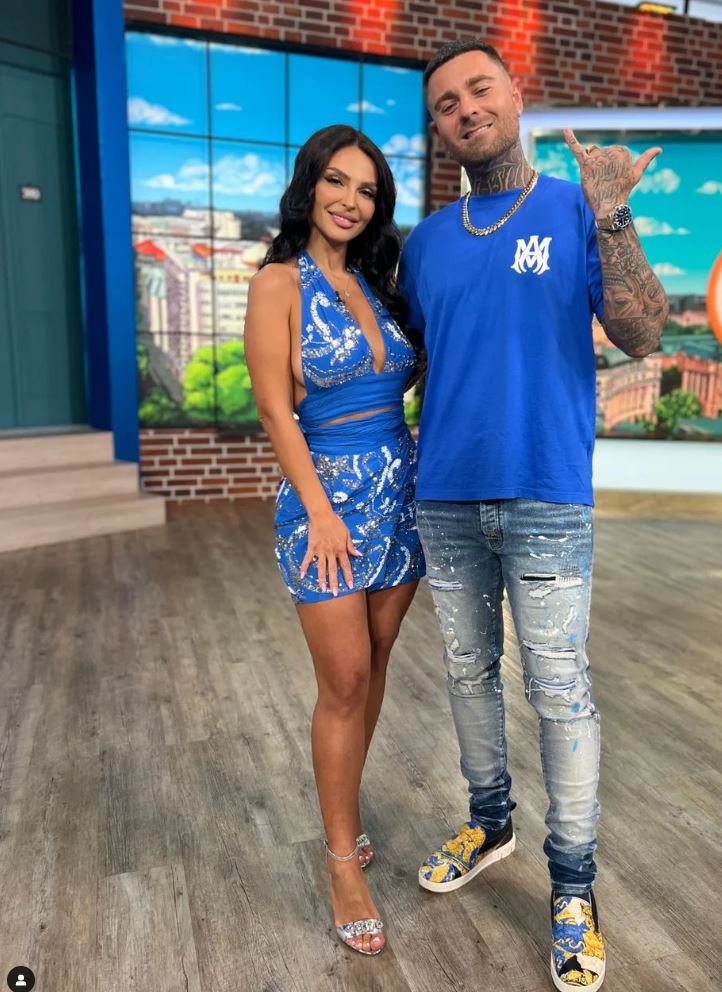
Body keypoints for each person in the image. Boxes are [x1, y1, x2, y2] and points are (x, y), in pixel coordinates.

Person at [398, 39, 668, 992]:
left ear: (516, 96)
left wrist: (614, 213)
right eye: (445, 104)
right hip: (445, 497)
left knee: (559, 689)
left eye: (479, 89)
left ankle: (574, 885)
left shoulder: (575, 207)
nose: (465, 109)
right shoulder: (426, 244)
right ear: (438, 129)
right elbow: (415, 365)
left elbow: (644, 333)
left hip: (548, 492)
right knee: (468, 674)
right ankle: (490, 822)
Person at [244, 124, 425, 956]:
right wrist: (318, 510)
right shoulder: (278, 283)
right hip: (325, 505)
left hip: (399, 496)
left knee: (377, 662)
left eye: (368, 190)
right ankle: (340, 861)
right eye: (338, 182)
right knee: (344, 678)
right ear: (309, 185)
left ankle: (346, 815)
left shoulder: (381, 283)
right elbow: (275, 409)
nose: (352, 201)